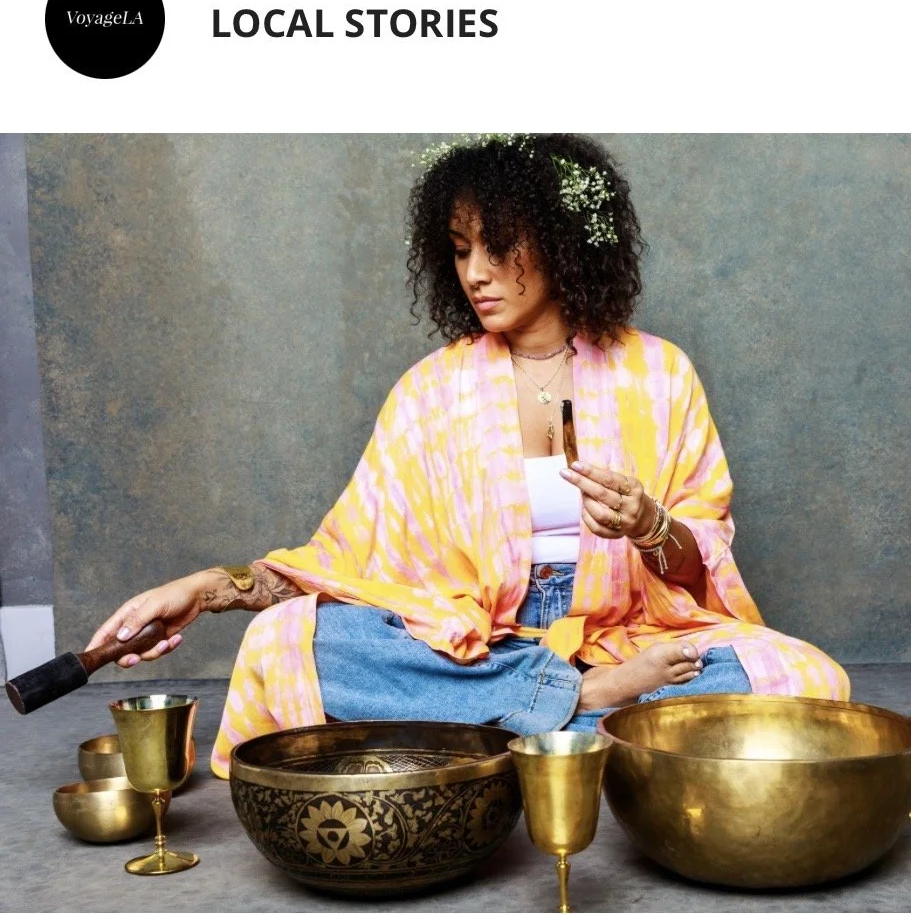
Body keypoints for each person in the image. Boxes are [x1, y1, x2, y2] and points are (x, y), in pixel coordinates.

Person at [86, 134, 849, 777]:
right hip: (477, 645)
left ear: (562, 239)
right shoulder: (432, 389)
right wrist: (207, 588)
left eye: (498, 245)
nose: (475, 271)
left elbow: (698, 567)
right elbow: (342, 562)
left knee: (808, 676)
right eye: (458, 250)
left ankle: (499, 734)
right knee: (286, 640)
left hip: (632, 637)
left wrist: (650, 523)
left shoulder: (658, 372)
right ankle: (580, 711)